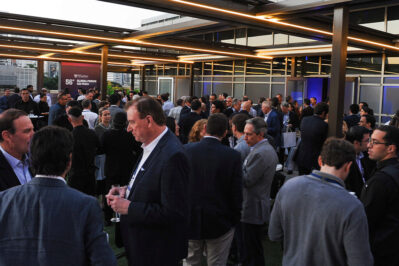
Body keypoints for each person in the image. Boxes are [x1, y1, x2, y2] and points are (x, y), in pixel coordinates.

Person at [0, 126, 116, 266]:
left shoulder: (4, 198)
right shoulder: (86, 205)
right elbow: (103, 260)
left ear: (32, 159)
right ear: (69, 161)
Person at [106, 97, 190, 266]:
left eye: (132, 122)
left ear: (149, 120)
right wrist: (127, 191)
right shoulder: (152, 145)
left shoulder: (172, 155)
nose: (128, 129)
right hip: (144, 245)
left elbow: (174, 212)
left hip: (156, 250)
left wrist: (128, 207)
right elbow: (152, 184)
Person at [269, 138, 373, 266]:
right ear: (349, 166)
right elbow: (360, 260)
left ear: (319, 160)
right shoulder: (352, 206)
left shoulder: (289, 187)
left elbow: (274, 234)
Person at [183, 114, 243, 266]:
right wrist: (234, 218)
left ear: (204, 128)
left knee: (190, 262)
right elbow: (236, 193)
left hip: (190, 219)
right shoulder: (232, 156)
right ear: (225, 133)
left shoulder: (186, 150)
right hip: (221, 222)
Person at [241, 117, 278, 266]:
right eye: (245, 133)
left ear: (260, 134)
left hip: (251, 208)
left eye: (249, 134)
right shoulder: (262, 150)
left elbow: (247, 180)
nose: (245, 137)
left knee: (250, 251)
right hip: (254, 206)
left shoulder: (260, 153)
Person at [361, 125, 399, 266]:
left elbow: (366, 219)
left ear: (391, 148)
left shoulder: (381, 180)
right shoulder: (390, 171)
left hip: (381, 251)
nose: (369, 145)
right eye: (370, 140)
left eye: (375, 142)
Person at [67, 107, 100, 196]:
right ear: (82, 117)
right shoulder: (92, 133)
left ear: (69, 119)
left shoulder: (69, 137)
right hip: (90, 174)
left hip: (75, 175)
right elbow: (99, 149)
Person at [0, 109, 34, 191]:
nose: (34, 134)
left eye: (33, 129)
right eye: (27, 131)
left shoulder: (37, 159)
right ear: (7, 136)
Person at [295, 102, 329, 175]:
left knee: (302, 180)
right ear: (323, 113)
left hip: (302, 155)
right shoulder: (324, 125)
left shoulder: (304, 119)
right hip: (314, 159)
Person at [345, 126, 375, 198]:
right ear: (356, 143)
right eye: (367, 140)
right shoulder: (345, 160)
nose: (369, 144)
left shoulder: (366, 155)